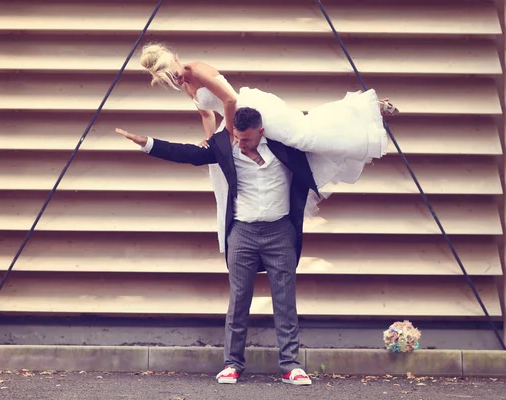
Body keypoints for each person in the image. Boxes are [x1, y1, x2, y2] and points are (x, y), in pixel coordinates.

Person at [116, 107, 316, 386]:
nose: (240, 143)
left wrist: (373, 111)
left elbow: (323, 132)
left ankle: (290, 365)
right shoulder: (226, 146)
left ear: (261, 132)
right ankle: (232, 363)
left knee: (285, 299)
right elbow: (188, 154)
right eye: (236, 136)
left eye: (246, 139)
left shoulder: (286, 145)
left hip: (280, 230)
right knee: (238, 300)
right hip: (242, 232)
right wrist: (147, 143)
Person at [138, 42, 398, 254]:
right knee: (218, 173)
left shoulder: (195, 68)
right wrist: (213, 143)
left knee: (304, 135)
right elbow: (206, 114)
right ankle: (232, 232)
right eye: (171, 79)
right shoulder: (184, 84)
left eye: (175, 72)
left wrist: (230, 133)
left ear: (174, 57)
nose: (178, 78)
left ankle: (367, 109)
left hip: (249, 109)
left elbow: (229, 99)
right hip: (234, 123)